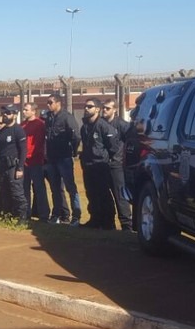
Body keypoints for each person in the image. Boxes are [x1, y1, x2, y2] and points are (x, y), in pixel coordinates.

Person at [44, 93, 82, 226]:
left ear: (58, 103)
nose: (48, 105)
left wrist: (73, 151)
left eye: (50, 102)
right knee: (55, 188)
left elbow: (76, 136)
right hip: (52, 158)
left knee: (70, 187)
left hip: (64, 158)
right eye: (47, 102)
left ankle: (76, 216)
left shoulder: (67, 117)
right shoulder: (48, 118)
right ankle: (58, 214)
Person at [79, 99, 117, 230]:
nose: (86, 108)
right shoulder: (84, 127)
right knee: (91, 193)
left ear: (97, 109)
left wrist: (106, 158)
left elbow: (113, 146)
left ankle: (108, 222)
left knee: (103, 194)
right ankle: (95, 219)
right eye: (85, 106)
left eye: (90, 106)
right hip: (88, 165)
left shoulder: (103, 125)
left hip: (100, 165)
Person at [0, 104, 29, 224]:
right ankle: (7, 215)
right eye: (4, 112)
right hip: (2, 166)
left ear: (14, 115)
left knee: (17, 192)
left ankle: (23, 216)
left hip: (13, 166)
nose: (5, 114)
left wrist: (20, 168)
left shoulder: (18, 130)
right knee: (4, 191)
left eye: (8, 113)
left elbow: (23, 150)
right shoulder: (2, 131)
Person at [102, 98, 134, 231]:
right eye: (103, 108)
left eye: (108, 108)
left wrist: (124, 159)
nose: (104, 110)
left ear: (114, 109)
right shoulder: (101, 123)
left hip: (117, 165)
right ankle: (108, 223)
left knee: (120, 196)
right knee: (104, 195)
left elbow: (131, 141)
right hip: (103, 164)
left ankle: (126, 225)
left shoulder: (122, 125)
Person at [21, 102, 50, 222]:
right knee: (24, 189)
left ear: (33, 111)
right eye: (23, 109)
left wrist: (38, 156)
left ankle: (44, 215)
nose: (24, 112)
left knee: (39, 189)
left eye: (26, 110)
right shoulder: (22, 125)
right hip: (24, 162)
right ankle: (25, 214)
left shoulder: (40, 124)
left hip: (36, 161)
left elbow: (41, 143)